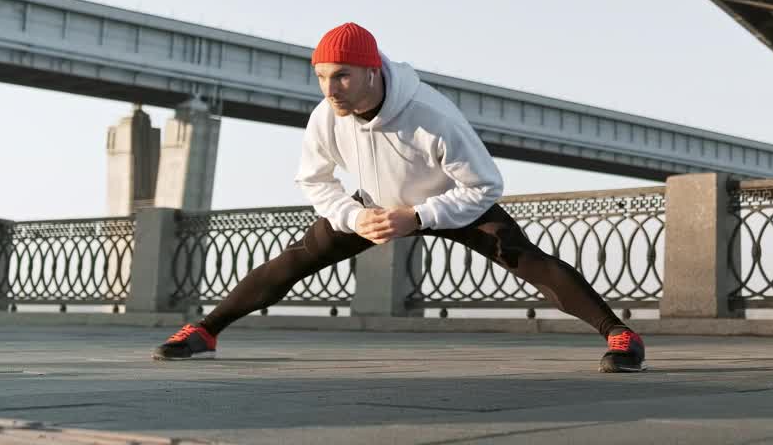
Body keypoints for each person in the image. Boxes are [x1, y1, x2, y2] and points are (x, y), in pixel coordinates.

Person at [152, 22, 646, 373]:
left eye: (342, 75)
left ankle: (620, 335)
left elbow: (486, 185)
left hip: (452, 203)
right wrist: (351, 214)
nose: (331, 89)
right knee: (295, 259)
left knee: (528, 261)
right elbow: (313, 178)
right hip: (374, 205)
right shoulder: (327, 115)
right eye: (322, 77)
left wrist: (422, 215)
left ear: (372, 71)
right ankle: (205, 331)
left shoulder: (433, 115)